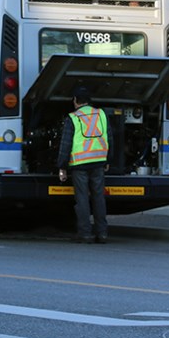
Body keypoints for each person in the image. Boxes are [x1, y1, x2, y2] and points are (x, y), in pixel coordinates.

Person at [57, 86, 111, 244]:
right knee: (98, 198)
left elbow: (65, 144)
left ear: (75, 100)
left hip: (80, 164)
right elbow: (110, 137)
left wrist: (62, 166)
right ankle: (102, 234)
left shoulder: (73, 118)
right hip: (99, 161)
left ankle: (85, 234)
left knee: (82, 199)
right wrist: (108, 160)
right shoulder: (101, 114)